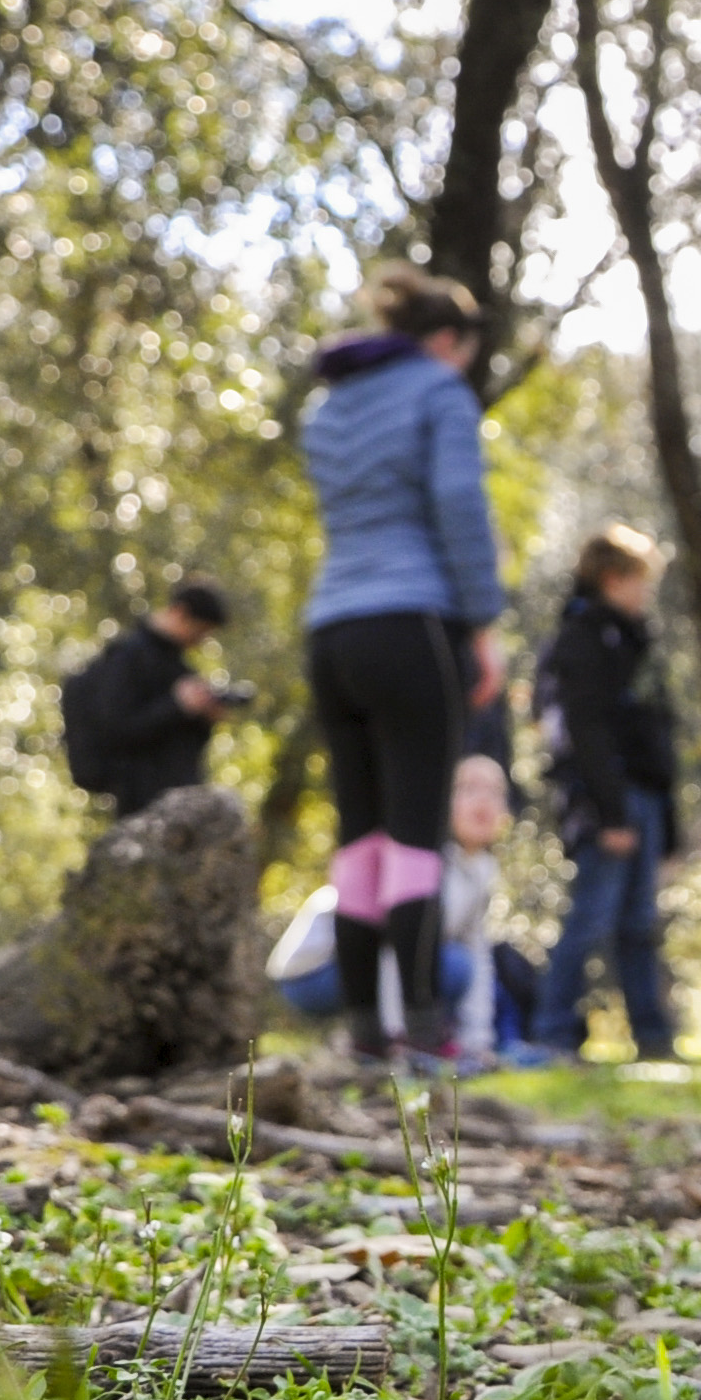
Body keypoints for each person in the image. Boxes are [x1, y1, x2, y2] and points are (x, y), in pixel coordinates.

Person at [299, 261, 504, 1065]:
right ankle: (422, 1027)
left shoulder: (329, 406)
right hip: (411, 623)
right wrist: (482, 622)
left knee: (361, 837)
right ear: (446, 341)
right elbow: (459, 506)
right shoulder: (439, 392)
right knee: (418, 834)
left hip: (331, 632)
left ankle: (362, 1029)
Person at [532, 526, 681, 1060]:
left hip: (645, 796)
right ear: (611, 579)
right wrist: (610, 812)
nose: (647, 593)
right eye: (640, 581)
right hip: (606, 803)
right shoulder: (582, 638)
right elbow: (585, 732)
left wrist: (670, 826)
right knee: (591, 917)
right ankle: (552, 1032)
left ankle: (653, 1036)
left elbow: (657, 730)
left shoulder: (637, 640)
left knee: (640, 924)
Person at [267, 754, 522, 1056]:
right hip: (312, 971)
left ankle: (404, 1037)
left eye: (495, 792)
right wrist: (394, 1036)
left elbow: (478, 956)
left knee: (456, 963)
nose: (483, 801)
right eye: (468, 789)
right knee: (449, 964)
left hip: (379, 969)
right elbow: (388, 948)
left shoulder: (480, 871)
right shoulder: (418, 857)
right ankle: (385, 1039)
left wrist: (478, 1042)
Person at [60, 575, 238, 814]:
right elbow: (117, 728)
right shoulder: (128, 656)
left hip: (178, 800)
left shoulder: (178, 668)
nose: (200, 641)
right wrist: (176, 705)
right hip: (137, 800)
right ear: (180, 612)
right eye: (200, 631)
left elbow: (182, 746)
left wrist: (204, 717)